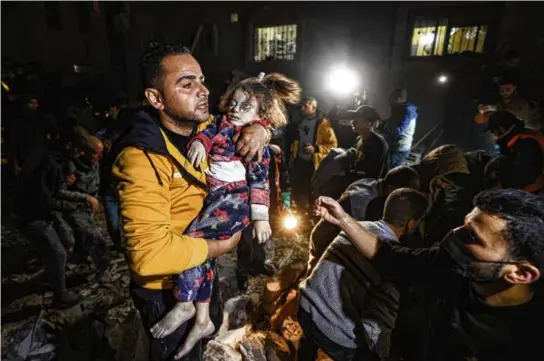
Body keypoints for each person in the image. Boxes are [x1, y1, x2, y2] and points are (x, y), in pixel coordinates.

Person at [110, 44, 270, 361]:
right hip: (166, 289)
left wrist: (260, 129)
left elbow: (240, 118)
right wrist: (221, 247)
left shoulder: (202, 126)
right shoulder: (141, 158)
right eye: (187, 83)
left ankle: (202, 321)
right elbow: (148, 257)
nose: (203, 91)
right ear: (156, 98)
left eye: (201, 80)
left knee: (199, 342)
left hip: (203, 271)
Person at [149, 72, 301, 358]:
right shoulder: (219, 123)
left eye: (245, 106)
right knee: (203, 256)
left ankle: (186, 304)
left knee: (192, 244)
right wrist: (200, 143)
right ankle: (203, 318)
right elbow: (207, 133)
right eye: (234, 101)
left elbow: (259, 180)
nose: (235, 108)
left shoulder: (250, 136)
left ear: (260, 115)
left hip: (233, 199)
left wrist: (261, 217)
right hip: (216, 198)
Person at [314, 189, 544, 361]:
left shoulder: (527, 343)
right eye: (463, 225)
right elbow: (391, 257)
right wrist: (343, 220)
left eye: (472, 237)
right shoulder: (448, 265)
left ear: (521, 273)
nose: (454, 235)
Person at [299, 188, 428, 361]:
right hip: (331, 333)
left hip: (305, 307)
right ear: (411, 224)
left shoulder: (357, 228)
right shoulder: (394, 261)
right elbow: (378, 323)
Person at [12, 127, 89, 307]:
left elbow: (51, 188)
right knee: (57, 253)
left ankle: (53, 278)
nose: (81, 153)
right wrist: (75, 205)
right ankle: (60, 297)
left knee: (66, 242)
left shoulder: (51, 156)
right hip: (30, 216)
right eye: (79, 148)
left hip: (36, 211)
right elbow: (45, 199)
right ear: (68, 145)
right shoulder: (49, 163)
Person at [307, 165, 420, 275]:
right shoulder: (366, 202)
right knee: (316, 273)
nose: (410, 198)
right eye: (406, 193)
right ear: (390, 189)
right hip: (327, 239)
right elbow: (361, 236)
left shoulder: (368, 182)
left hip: (325, 233)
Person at [312, 106, 389, 201]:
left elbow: (373, 175)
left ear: (368, 123)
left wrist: (345, 173)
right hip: (354, 184)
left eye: (356, 120)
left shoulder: (378, 144)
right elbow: (353, 157)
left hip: (366, 191)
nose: (352, 122)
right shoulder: (360, 139)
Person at [290, 97, 337, 210]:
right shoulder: (300, 122)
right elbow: (296, 140)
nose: (302, 108)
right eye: (302, 106)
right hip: (300, 160)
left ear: (313, 107)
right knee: (297, 188)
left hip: (314, 163)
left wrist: (315, 149)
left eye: (306, 106)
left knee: (313, 191)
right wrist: (292, 155)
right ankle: (298, 214)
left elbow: (333, 145)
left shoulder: (323, 124)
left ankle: (312, 215)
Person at [485, 111, 544, 194]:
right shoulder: (519, 141)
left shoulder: (526, 143)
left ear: (502, 129)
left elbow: (527, 176)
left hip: (535, 195)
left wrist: (500, 175)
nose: (493, 136)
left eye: (493, 131)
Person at [476, 76, 542, 134]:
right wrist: (482, 111)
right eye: (501, 90)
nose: (504, 92)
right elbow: (479, 120)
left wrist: (495, 108)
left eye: (508, 89)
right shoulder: (499, 104)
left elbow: (516, 115)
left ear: (514, 88)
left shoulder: (522, 103)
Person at [377, 88, 418, 167]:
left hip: (399, 150)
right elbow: (392, 122)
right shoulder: (401, 110)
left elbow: (396, 130)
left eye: (392, 98)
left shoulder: (405, 112)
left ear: (398, 99)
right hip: (396, 147)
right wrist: (382, 122)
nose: (390, 101)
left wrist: (381, 126)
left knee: (386, 169)